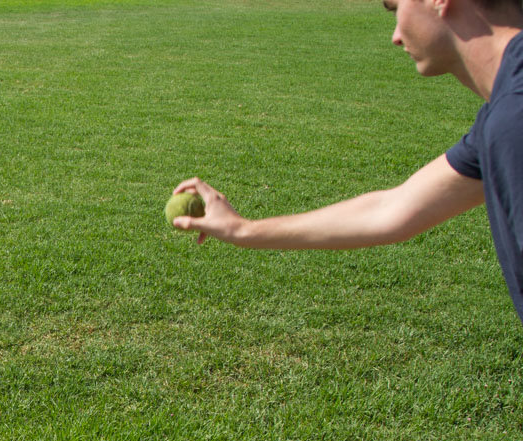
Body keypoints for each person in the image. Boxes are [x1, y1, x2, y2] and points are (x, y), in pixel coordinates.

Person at [172, 0, 523, 322]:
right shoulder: (501, 114)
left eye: (395, 7)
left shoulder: (514, 119)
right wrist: (242, 230)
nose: (396, 37)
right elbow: (392, 209)